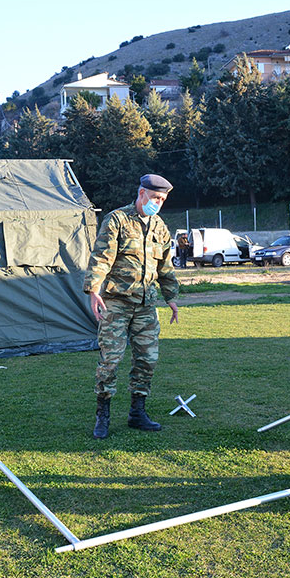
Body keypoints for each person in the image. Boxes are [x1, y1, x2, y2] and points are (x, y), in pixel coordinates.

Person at [83, 174, 180, 439]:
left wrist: (171, 297)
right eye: (155, 198)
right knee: (110, 361)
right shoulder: (117, 220)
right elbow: (101, 258)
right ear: (141, 194)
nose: (158, 203)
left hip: (146, 304)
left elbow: (166, 267)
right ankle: (103, 414)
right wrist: (93, 290)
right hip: (116, 303)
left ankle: (138, 412)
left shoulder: (160, 227)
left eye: (162, 199)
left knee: (147, 359)